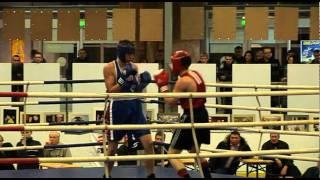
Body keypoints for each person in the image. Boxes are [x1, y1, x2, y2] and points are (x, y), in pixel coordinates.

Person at [153, 50, 211, 178]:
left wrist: (162, 86)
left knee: (172, 154)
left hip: (191, 116)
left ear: (177, 64)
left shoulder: (183, 81)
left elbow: (170, 101)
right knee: (195, 151)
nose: (171, 66)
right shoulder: (196, 74)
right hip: (202, 114)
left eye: (173, 62)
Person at [102, 40, 155, 178]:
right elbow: (111, 91)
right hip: (118, 107)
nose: (132, 57)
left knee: (148, 143)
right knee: (113, 148)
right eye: (129, 54)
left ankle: (151, 175)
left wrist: (142, 83)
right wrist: (123, 78)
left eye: (133, 54)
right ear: (121, 54)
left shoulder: (134, 66)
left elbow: (135, 89)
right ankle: (106, 175)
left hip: (134, 105)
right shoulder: (109, 68)